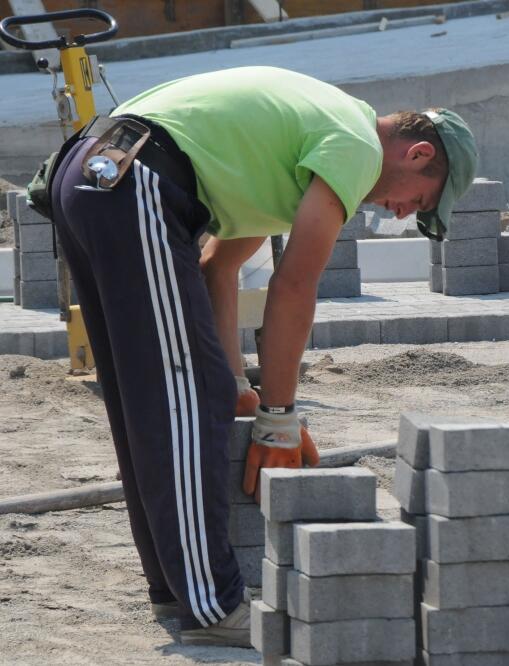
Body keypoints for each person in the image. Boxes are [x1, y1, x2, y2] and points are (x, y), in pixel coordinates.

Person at [47, 65, 477, 646]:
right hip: (134, 181)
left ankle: (177, 593)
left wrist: (234, 382)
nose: (403, 214)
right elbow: (295, 287)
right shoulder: (353, 146)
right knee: (182, 403)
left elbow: (219, 268)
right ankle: (215, 608)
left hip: (99, 173)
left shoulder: (307, 140)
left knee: (157, 397)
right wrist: (278, 415)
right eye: (419, 201)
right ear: (419, 153)